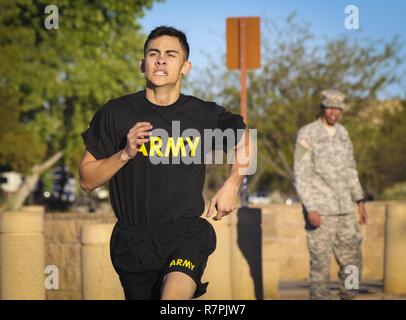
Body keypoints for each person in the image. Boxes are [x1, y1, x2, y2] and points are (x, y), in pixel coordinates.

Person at [79, 26, 251, 300]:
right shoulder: (115, 113)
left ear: (185, 67)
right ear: (142, 65)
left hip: (185, 233)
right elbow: (86, 180)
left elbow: (246, 139)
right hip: (132, 240)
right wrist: (124, 153)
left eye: (171, 55)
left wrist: (233, 183)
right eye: (153, 53)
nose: (160, 59)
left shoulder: (203, 114)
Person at [293, 90, 368, 300]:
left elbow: (351, 169)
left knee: (353, 260)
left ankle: (350, 295)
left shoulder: (343, 133)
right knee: (320, 264)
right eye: (330, 108)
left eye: (338, 109)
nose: (334, 113)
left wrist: (360, 201)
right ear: (323, 108)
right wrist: (311, 207)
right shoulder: (307, 134)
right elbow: (300, 172)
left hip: (345, 209)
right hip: (320, 212)